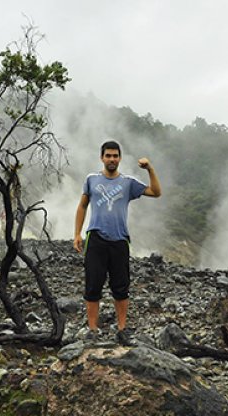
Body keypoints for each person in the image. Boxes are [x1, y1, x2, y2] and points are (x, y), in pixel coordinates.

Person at [74, 140, 161, 345]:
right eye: (108, 156)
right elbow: (82, 206)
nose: (112, 159)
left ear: (120, 158)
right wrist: (77, 233)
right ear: (102, 158)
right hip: (95, 237)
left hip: (120, 239)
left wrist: (150, 168)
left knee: (121, 286)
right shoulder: (91, 179)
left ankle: (122, 330)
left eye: (115, 156)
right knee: (93, 285)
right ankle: (93, 330)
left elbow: (156, 192)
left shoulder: (128, 183)